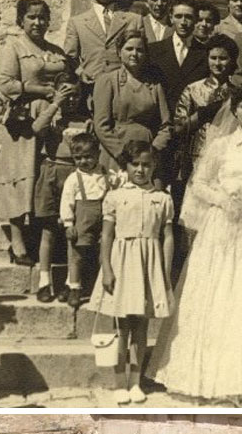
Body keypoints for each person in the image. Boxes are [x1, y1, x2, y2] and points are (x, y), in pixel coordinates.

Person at [147, 84, 242, 402]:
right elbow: (199, 184)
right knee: (218, 295)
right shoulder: (221, 145)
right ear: (234, 111)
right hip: (222, 225)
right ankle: (211, 376)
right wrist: (223, 199)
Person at [89, 141, 174, 405]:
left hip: (149, 265)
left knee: (141, 326)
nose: (140, 169)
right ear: (125, 166)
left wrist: (165, 271)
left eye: (146, 164)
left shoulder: (162, 199)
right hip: (122, 263)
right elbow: (106, 236)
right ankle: (119, 382)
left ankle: (136, 382)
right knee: (120, 326)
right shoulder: (115, 196)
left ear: (154, 166)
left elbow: (168, 237)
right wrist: (107, 269)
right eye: (135, 164)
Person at [0, 0, 68, 266]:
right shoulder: (13, 46)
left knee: (43, 177)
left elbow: (66, 78)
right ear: (21, 21)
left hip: (53, 119)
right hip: (24, 119)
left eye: (42, 17)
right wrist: (41, 90)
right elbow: (5, 83)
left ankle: (39, 236)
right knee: (20, 175)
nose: (38, 23)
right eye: (32, 17)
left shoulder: (56, 50)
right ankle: (17, 240)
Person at [31, 77, 90, 304]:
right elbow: (36, 128)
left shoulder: (84, 120)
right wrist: (56, 103)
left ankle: (72, 283)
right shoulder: (51, 116)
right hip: (51, 172)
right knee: (48, 230)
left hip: (75, 177)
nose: (71, 100)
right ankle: (44, 282)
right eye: (66, 95)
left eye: (75, 95)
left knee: (72, 232)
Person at [93, 29, 172, 174]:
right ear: (119, 51)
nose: (134, 54)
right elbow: (101, 125)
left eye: (139, 50)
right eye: (129, 49)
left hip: (146, 153)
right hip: (116, 152)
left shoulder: (154, 84)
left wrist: (153, 151)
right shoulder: (107, 81)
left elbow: (165, 125)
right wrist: (122, 154)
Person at [174, 34, 241, 187]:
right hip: (197, 156)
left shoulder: (237, 93)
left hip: (228, 156)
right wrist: (202, 115)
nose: (217, 63)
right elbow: (178, 126)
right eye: (213, 58)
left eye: (223, 58)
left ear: (232, 61)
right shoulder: (193, 89)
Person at [64, 0, 143, 87]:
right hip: (91, 89)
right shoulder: (77, 22)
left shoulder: (133, 20)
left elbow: (143, 56)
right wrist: (81, 72)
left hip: (125, 89)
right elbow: (69, 58)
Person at [60, 133, 112, 314]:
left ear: (98, 154)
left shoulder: (105, 173)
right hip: (82, 219)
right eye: (78, 158)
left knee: (102, 252)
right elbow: (66, 202)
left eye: (88, 157)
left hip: (103, 218)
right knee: (77, 254)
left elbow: (113, 188)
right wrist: (68, 224)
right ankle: (75, 287)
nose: (83, 161)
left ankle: (98, 288)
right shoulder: (74, 179)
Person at [148, 0, 208, 113]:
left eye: (188, 17)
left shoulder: (205, 53)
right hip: (160, 118)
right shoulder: (153, 50)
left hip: (192, 121)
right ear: (171, 18)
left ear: (196, 20)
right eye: (178, 16)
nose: (183, 22)